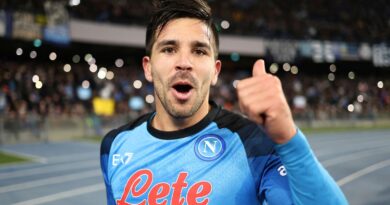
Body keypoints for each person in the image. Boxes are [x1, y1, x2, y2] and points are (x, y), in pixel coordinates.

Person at [100, 0, 348, 204]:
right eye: (168, 49)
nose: (184, 62)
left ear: (216, 71)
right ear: (149, 67)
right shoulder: (115, 146)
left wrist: (288, 138)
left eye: (199, 51)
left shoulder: (252, 143)